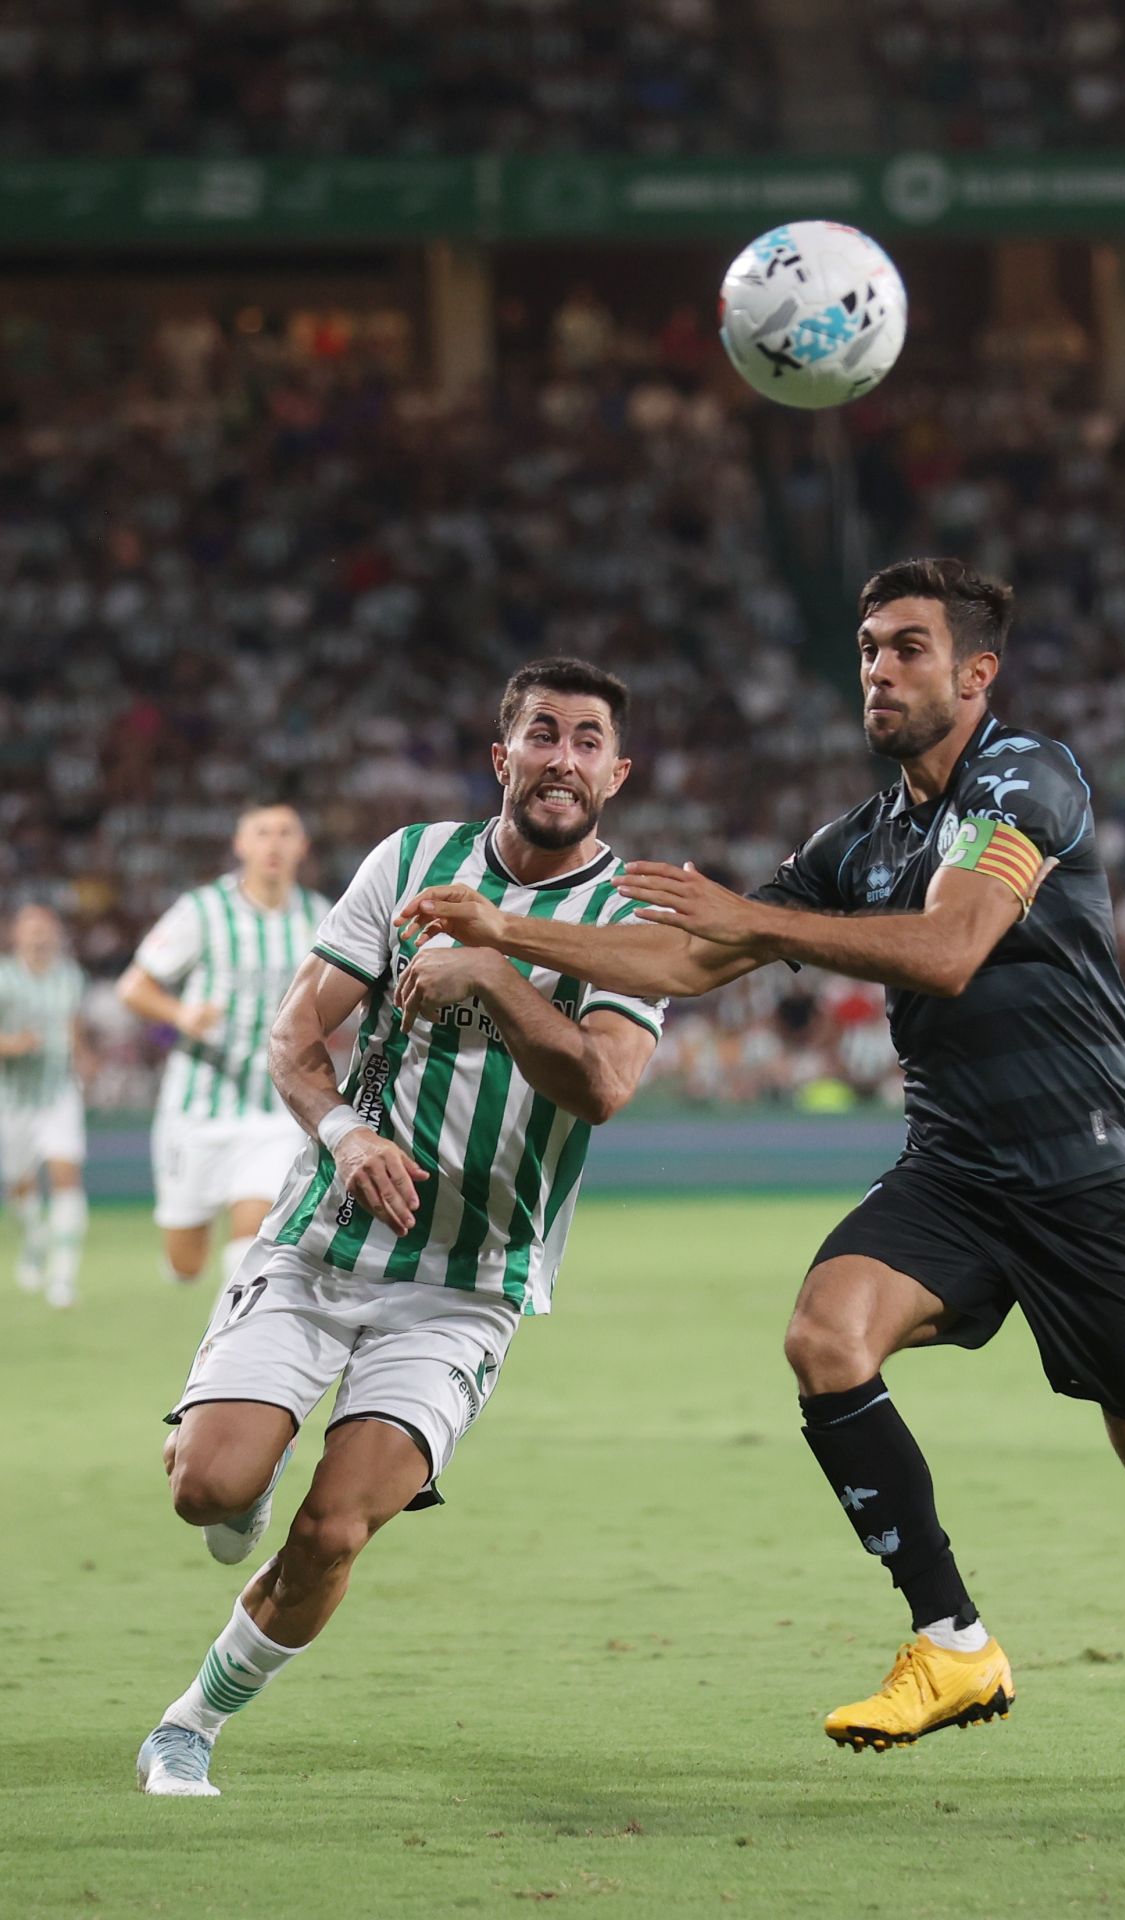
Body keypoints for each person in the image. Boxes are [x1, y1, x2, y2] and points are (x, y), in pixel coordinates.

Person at [395, 558, 1125, 1792]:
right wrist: (506, 933)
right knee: (824, 1335)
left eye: (907, 648)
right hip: (954, 1165)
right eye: (866, 649)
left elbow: (951, 949)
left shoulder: (1030, 778)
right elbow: (686, 962)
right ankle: (952, 1641)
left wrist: (755, 921)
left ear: (975, 672)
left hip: (1087, 1176)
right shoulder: (860, 838)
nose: (879, 672)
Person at [136, 658, 664, 1796]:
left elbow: (603, 1085)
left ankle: (192, 1720)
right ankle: (250, 1460)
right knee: (208, 1490)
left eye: (585, 740)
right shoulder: (410, 862)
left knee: (333, 1533)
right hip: (323, 1244)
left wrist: (491, 966)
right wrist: (345, 1138)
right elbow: (294, 1039)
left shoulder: (633, 920)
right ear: (502, 755)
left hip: (470, 1280)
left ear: (616, 775)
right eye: (540, 733)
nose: (560, 757)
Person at [118, 801, 330, 1293]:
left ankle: (228, 1351)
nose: (273, 844)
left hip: (276, 1108)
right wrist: (182, 1015)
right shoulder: (203, 911)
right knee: (186, 1261)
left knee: (253, 1242)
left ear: (302, 847)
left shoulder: (319, 917)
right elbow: (133, 987)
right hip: (198, 1108)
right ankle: (184, 1264)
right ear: (240, 845)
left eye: (284, 833)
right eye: (261, 833)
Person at [0, 905, 92, 1308]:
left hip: (59, 1093)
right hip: (15, 1098)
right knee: (20, 1183)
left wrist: (83, 1055)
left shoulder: (70, 977)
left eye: (45, 929)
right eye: (30, 929)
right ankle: (35, 1239)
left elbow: (73, 1025)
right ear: (15, 935)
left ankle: (63, 1277)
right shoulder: (4, 979)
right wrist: (13, 1045)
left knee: (66, 1174)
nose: (38, 936)